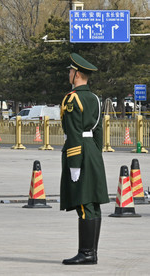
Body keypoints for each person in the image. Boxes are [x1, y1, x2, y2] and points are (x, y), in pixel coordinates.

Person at [60, 53, 109, 265]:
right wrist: (95, 155)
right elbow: (97, 132)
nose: (69, 74)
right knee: (93, 204)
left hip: (79, 152)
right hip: (92, 152)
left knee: (84, 204)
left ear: (77, 74)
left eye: (71, 72)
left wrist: (74, 164)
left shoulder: (73, 99)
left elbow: (73, 133)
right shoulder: (95, 99)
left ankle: (86, 253)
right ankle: (91, 252)